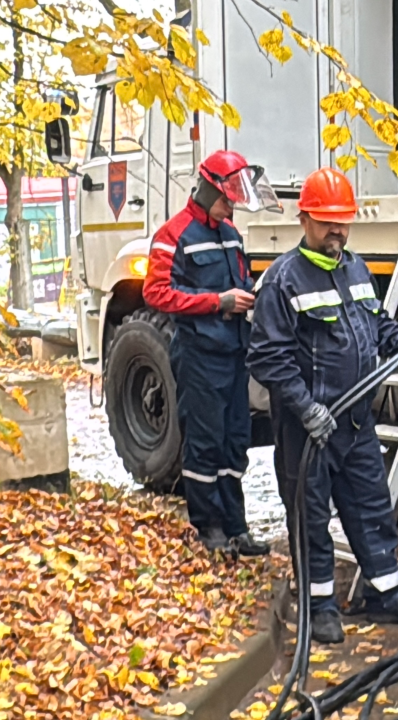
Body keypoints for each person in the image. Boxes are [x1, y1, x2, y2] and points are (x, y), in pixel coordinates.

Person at [247, 167, 398, 644]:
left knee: (371, 504)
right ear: (304, 218)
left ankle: (385, 594)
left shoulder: (354, 267)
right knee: (311, 516)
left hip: (354, 422)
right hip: (308, 428)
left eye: (343, 221)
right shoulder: (281, 281)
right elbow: (267, 358)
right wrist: (307, 409)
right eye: (327, 221)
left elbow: (375, 324)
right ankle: (321, 605)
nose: (337, 230)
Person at [143, 150, 272, 557]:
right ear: (205, 188)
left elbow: (241, 278)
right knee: (204, 442)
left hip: (234, 353)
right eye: (227, 197)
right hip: (199, 355)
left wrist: (253, 293)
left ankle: (236, 526)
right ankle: (209, 527)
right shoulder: (173, 234)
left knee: (235, 441)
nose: (231, 205)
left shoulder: (229, 231)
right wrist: (218, 302)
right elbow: (156, 293)